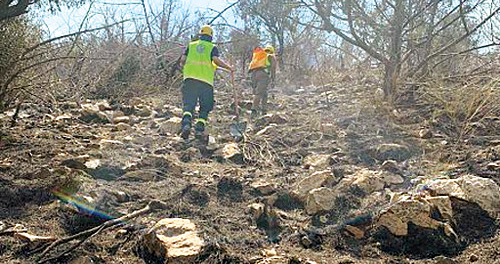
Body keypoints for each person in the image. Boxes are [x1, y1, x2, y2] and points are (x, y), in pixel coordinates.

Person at [179, 25, 233, 141]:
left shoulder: (191, 45)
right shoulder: (212, 47)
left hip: (190, 80)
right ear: (211, 36)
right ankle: (199, 129)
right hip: (206, 82)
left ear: (200, 34)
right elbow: (216, 60)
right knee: (205, 107)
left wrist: (186, 68)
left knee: (188, 104)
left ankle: (186, 125)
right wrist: (229, 68)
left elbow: (182, 60)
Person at [248, 45, 277, 118]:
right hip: (263, 75)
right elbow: (273, 68)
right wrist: (273, 79)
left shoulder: (260, 56)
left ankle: (264, 110)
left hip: (253, 75)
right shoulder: (271, 56)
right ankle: (253, 111)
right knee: (259, 93)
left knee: (264, 93)